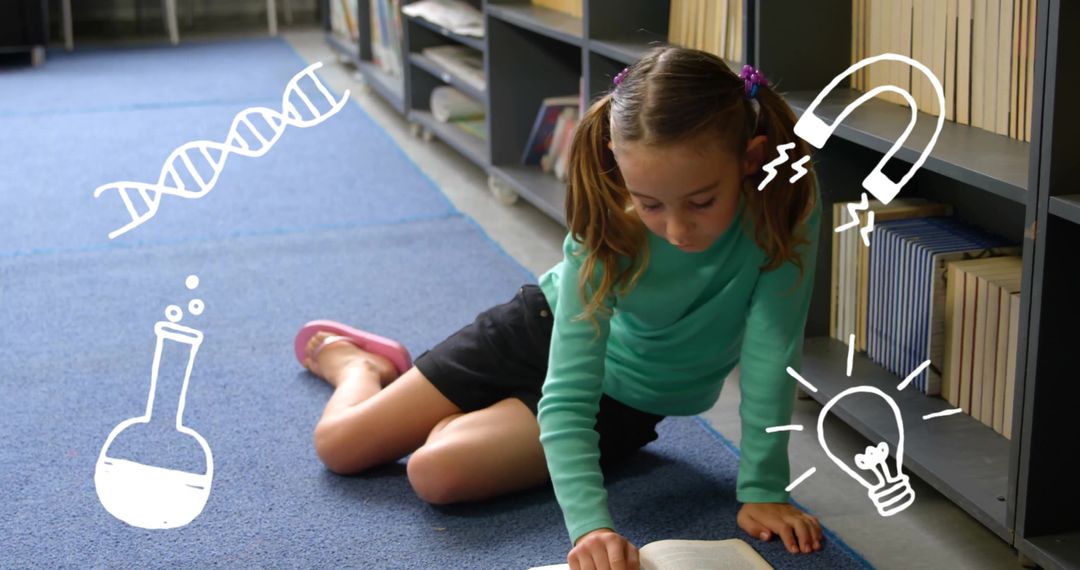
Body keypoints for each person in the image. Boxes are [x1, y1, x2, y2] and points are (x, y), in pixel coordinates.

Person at [295, 45, 823, 570]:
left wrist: (763, 489)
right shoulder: (610, 224)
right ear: (620, 166)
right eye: (650, 204)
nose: (678, 230)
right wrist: (591, 526)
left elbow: (772, 354)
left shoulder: (787, 204)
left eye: (702, 202)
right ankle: (361, 366)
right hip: (538, 330)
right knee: (339, 447)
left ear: (751, 160)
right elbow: (567, 387)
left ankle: (473, 419)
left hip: (622, 401)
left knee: (434, 472)